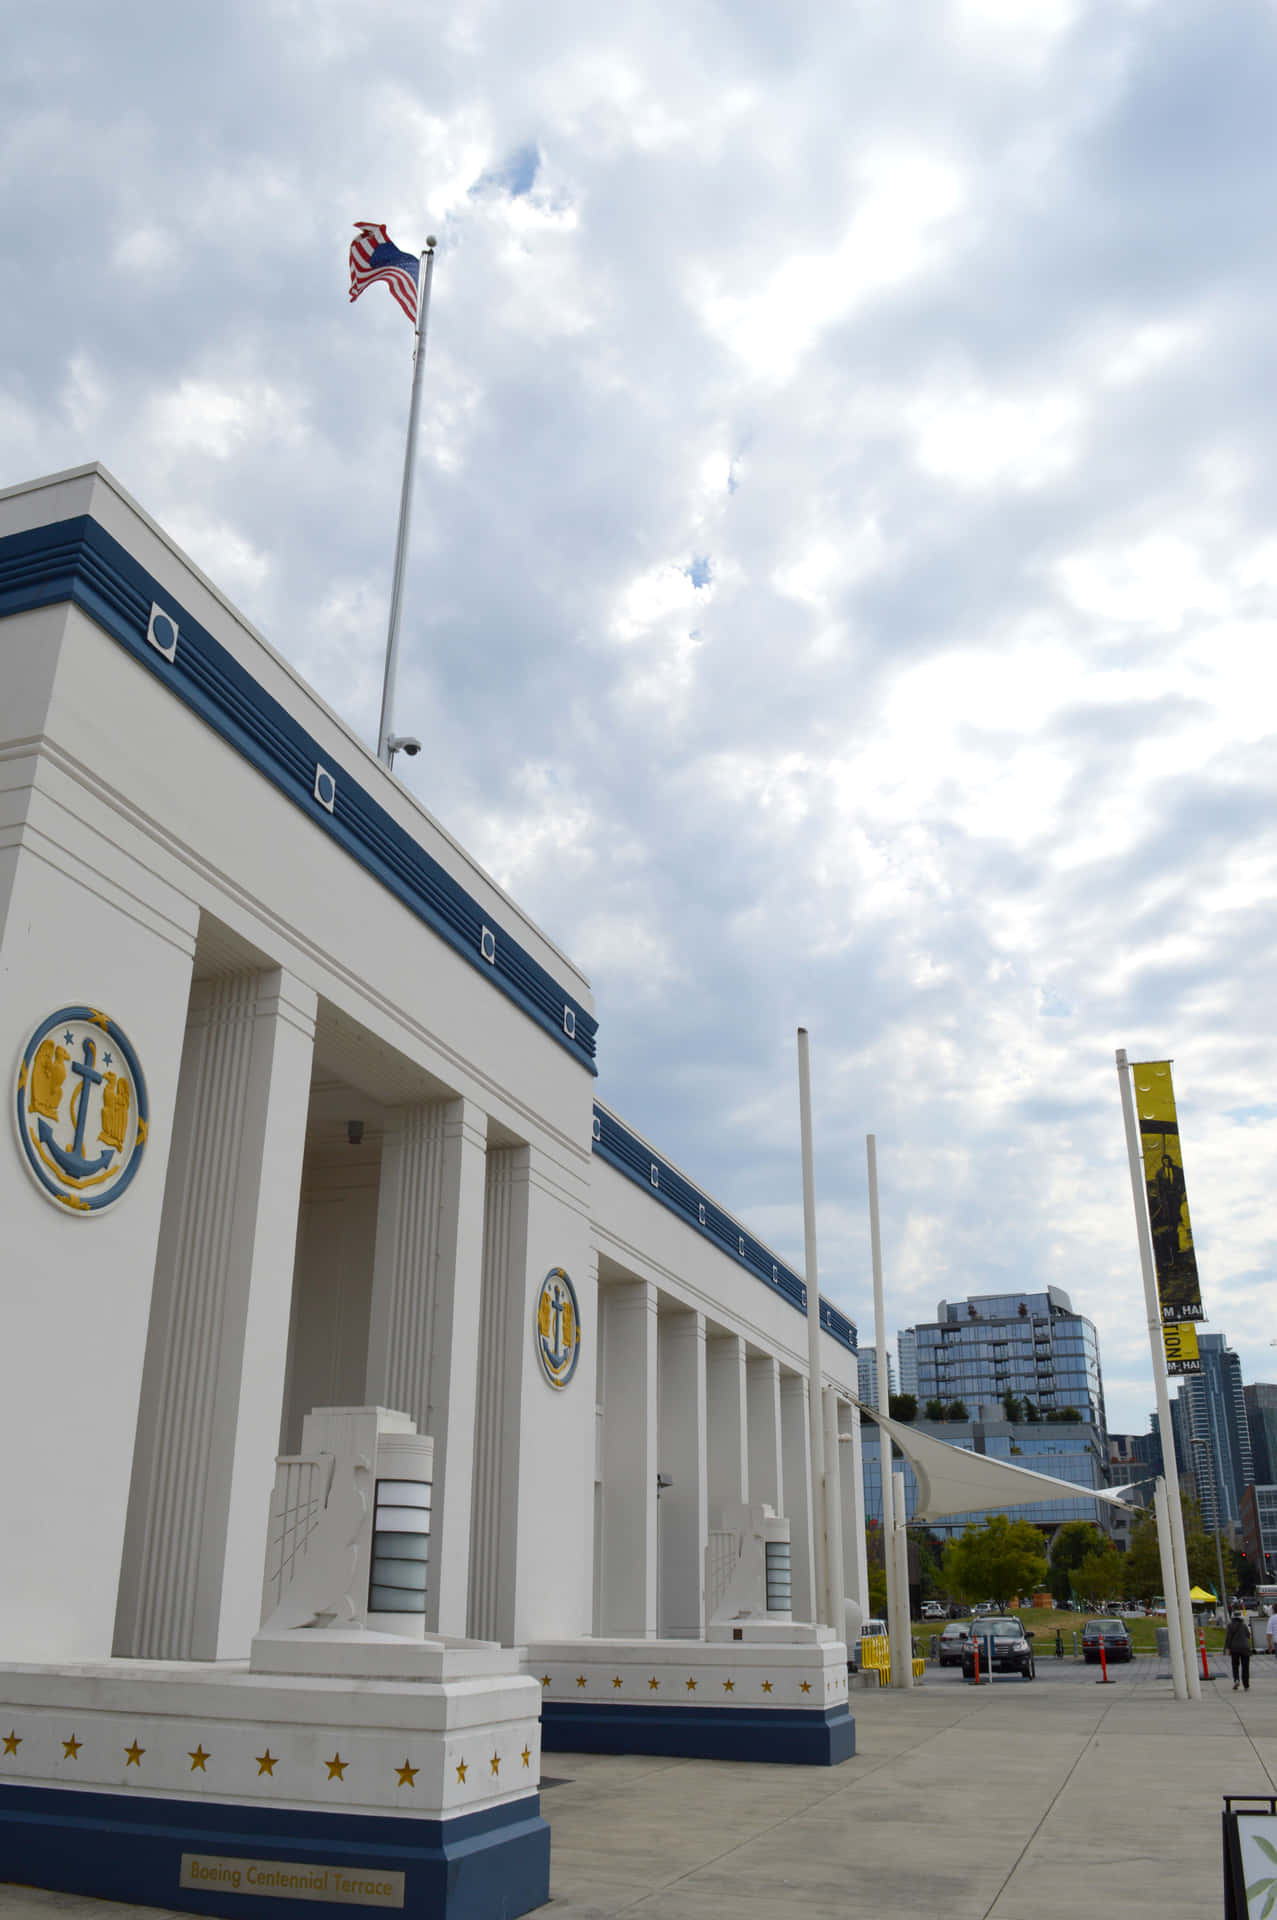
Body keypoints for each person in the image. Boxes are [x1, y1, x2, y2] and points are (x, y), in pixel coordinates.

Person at [1225, 1608, 1252, 1690]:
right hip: (1245, 1648)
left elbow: (1228, 1638)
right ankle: (1246, 1684)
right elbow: (1248, 1635)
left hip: (1234, 1648)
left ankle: (1236, 1680)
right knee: (1245, 1667)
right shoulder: (1244, 1625)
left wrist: (1228, 1648)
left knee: (1235, 1665)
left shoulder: (1230, 1625)